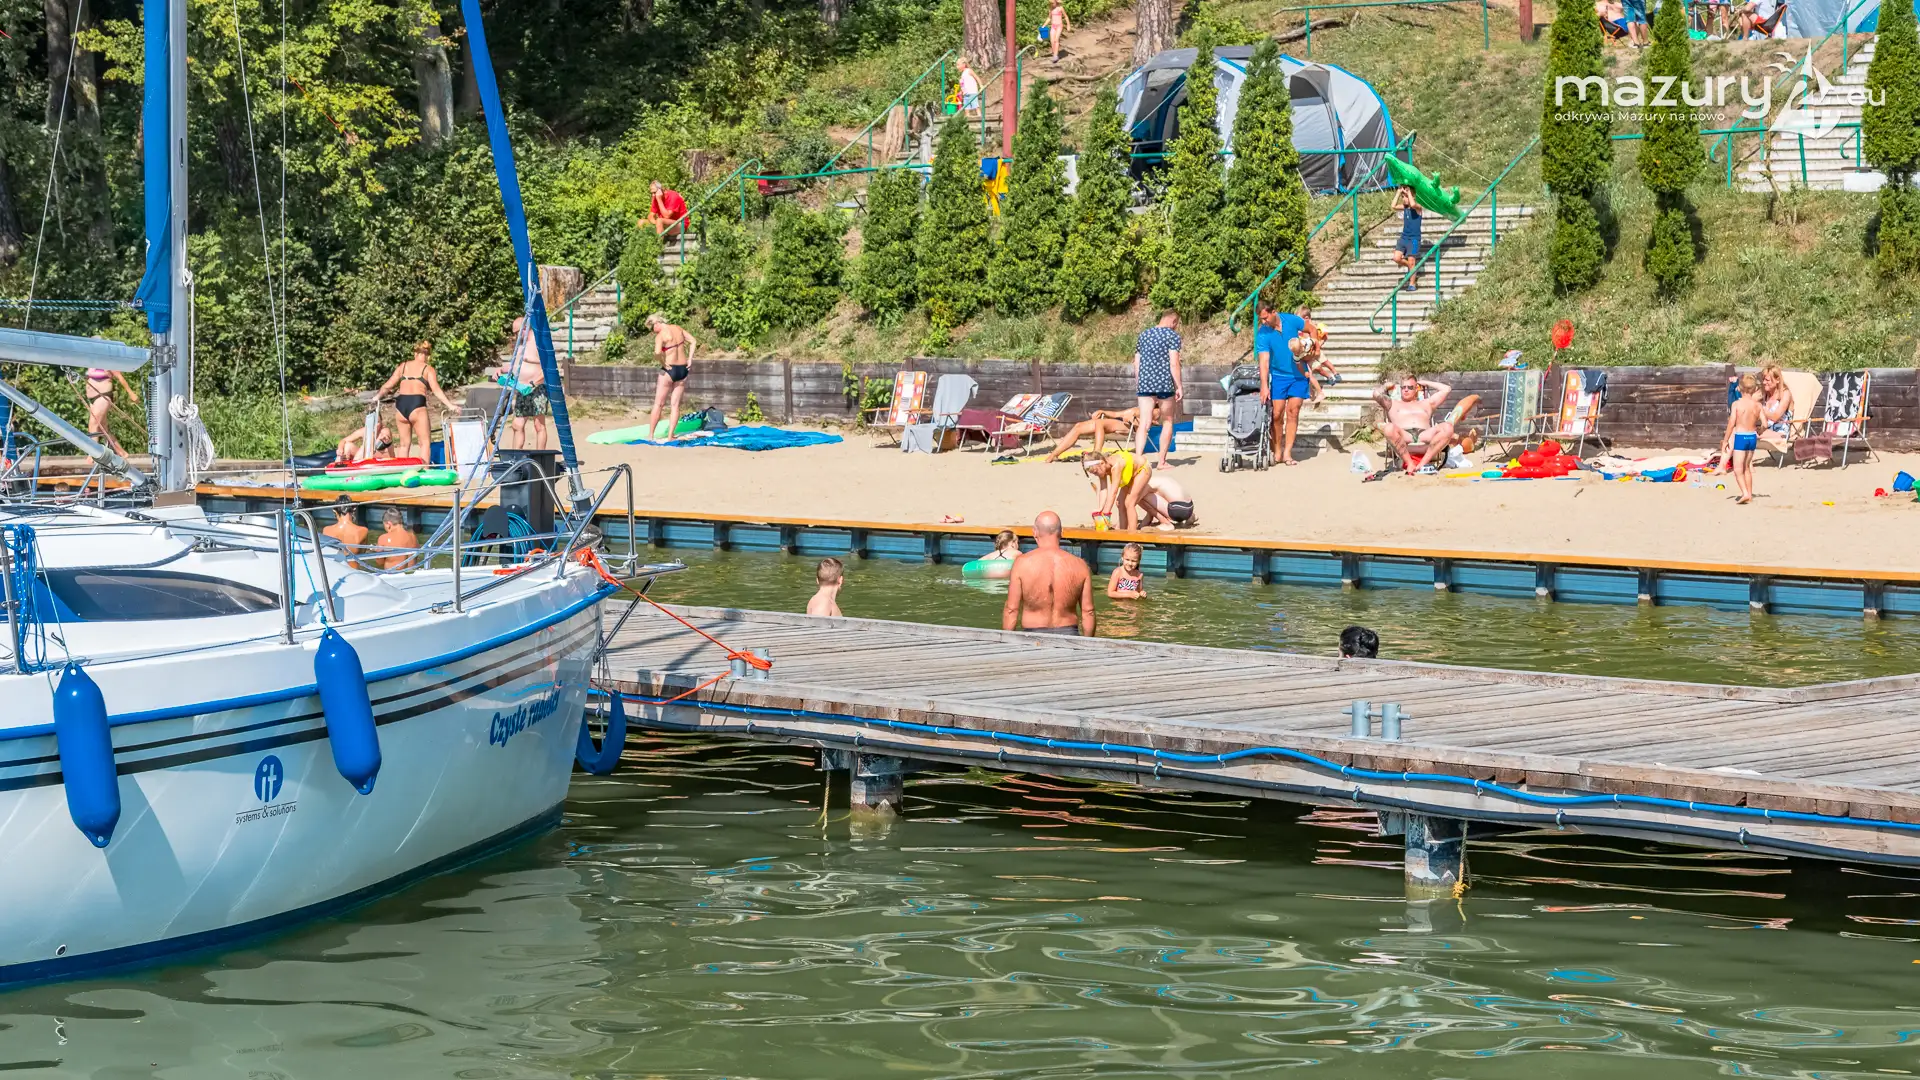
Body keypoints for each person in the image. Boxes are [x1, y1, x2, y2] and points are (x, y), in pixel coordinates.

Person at [1003, 510, 1094, 636]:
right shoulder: (1080, 565)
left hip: (1032, 636)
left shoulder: (1021, 563)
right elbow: (1088, 612)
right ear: (1061, 533)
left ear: (1034, 532)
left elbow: (1011, 610)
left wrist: (1007, 641)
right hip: (1069, 634)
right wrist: (1087, 643)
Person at [375, 340, 459, 461]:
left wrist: (376, 397)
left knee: (404, 445)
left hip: (401, 406)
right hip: (417, 405)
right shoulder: (428, 369)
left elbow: (388, 385)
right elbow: (436, 390)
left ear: (415, 353)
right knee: (424, 443)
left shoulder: (403, 366)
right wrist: (450, 406)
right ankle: (425, 470)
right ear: (428, 356)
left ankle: (403, 471)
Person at [1256, 302, 1311, 466]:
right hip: (1278, 376)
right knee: (1277, 414)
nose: (1264, 322)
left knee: (1293, 411)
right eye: (1261, 319)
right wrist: (1264, 386)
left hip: (1298, 375)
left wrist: (1314, 345)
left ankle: (1287, 453)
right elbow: (1264, 361)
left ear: (1274, 312)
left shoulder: (1291, 320)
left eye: (1265, 318)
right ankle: (1277, 450)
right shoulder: (1263, 333)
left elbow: (1312, 329)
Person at [1374, 372, 1454, 473]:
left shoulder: (1426, 403)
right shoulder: (1392, 403)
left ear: (1416, 389)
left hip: (1425, 435)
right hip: (1404, 436)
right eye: (1403, 387)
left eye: (1410, 387)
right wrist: (1386, 386)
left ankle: (1423, 463)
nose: (1406, 390)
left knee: (1448, 427)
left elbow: (1446, 389)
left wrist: (1425, 383)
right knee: (1388, 428)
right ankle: (1410, 463)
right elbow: (1376, 394)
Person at [1132, 311, 1182, 468]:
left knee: (1144, 423)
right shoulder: (1172, 336)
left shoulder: (1144, 335)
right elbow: (1174, 363)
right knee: (1167, 420)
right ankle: (1161, 462)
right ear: (1173, 321)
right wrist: (1179, 386)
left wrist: (1139, 382)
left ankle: (1138, 460)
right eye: (1176, 323)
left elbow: (1136, 363)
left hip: (1145, 383)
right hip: (1164, 383)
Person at [493, 317, 549, 452]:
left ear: (525, 328)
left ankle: (540, 456)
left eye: (516, 332)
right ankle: (516, 456)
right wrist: (501, 370)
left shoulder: (538, 343)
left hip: (536, 389)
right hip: (522, 389)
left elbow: (548, 368)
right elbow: (515, 365)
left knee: (539, 425)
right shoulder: (520, 346)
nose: (515, 336)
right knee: (517, 425)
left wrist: (534, 383)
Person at [643, 313, 698, 441]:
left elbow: (657, 353)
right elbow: (693, 341)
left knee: (658, 404)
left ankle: (650, 435)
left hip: (669, 370)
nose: (653, 331)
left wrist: (663, 363)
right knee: (675, 405)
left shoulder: (661, 335)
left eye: (652, 328)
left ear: (657, 323)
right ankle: (670, 436)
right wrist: (690, 359)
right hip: (683, 370)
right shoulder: (678, 328)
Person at [1046, 406, 1144, 463]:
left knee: (1099, 423)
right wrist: (1103, 411)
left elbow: (1150, 425)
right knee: (1078, 426)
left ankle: (1096, 453)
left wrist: (1136, 420)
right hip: (1119, 421)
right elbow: (1116, 414)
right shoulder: (1139, 407)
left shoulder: (1150, 409)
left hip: (1128, 426)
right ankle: (1054, 455)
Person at [1085, 448, 1152, 531]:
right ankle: (1123, 531)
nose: (1096, 475)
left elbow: (1113, 492)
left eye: (1095, 472)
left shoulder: (1116, 466)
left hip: (1142, 469)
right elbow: (1103, 489)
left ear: (1102, 463)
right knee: (1119, 503)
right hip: (1130, 474)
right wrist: (1100, 508)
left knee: (1129, 503)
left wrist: (1106, 514)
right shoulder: (1102, 468)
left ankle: (1132, 533)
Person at [1723, 373, 1762, 505]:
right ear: (1755, 389)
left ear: (1739, 388)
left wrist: (1725, 441)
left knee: (1738, 469)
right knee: (1747, 468)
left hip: (1740, 437)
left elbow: (1731, 423)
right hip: (1752, 437)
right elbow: (1765, 423)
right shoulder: (1757, 405)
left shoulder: (1736, 404)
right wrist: (1760, 430)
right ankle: (1749, 495)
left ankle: (1745, 493)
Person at [82, 366, 139, 456]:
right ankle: (121, 452)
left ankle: (93, 453)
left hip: (103, 396)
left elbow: (120, 377)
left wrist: (131, 393)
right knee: (103, 427)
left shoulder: (107, 363)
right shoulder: (92, 362)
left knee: (93, 424)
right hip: (92, 399)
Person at [1392, 187, 1423, 290]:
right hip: (1404, 238)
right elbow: (1393, 206)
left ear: (1412, 196)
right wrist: (1398, 192)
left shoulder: (1418, 208)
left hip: (1414, 240)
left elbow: (1413, 204)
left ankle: (1412, 284)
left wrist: (1409, 192)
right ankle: (1411, 267)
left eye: (1405, 197)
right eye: (1403, 197)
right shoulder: (1405, 208)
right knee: (1396, 258)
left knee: (1412, 261)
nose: (1404, 199)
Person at [322, 499, 369, 564]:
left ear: (334, 510)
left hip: (334, 569)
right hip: (353, 569)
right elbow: (362, 555)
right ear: (354, 509)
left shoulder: (326, 530)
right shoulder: (363, 531)